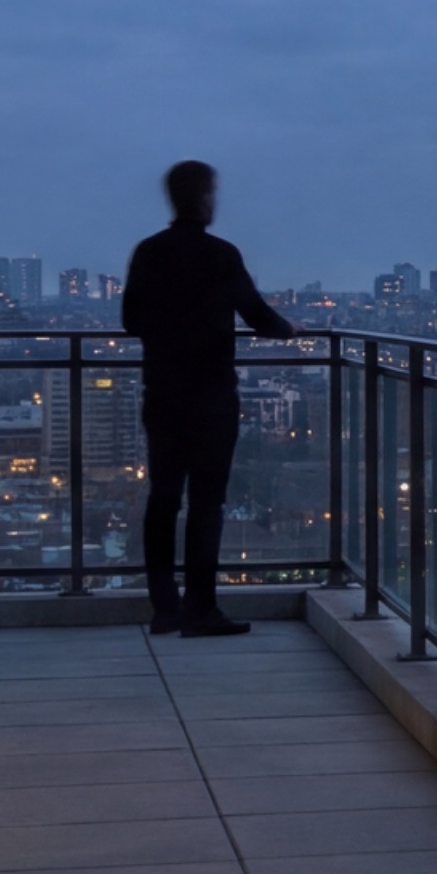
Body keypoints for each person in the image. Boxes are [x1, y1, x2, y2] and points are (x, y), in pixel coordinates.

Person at [121, 160, 296, 636]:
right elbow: (258, 315)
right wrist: (289, 332)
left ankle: (164, 608)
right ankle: (201, 608)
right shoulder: (220, 255)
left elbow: (130, 321)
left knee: (163, 500)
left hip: (162, 393)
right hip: (212, 397)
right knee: (206, 503)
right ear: (203, 198)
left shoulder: (150, 253)